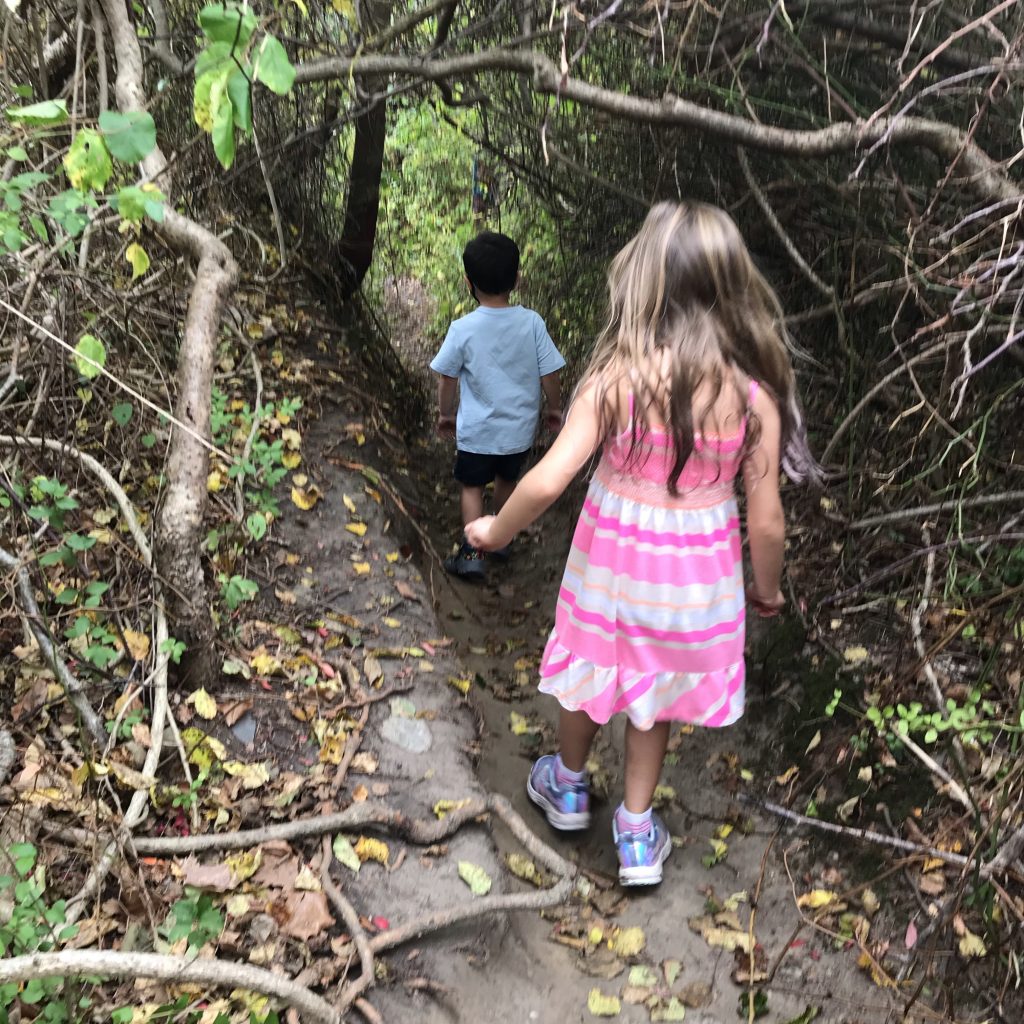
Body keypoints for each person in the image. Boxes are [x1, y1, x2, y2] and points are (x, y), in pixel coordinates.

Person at [465, 201, 818, 885]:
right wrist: (766, 589)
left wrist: (494, 527)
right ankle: (633, 833)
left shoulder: (616, 379)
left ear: (644, 282)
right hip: (693, 588)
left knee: (590, 673)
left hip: (613, 573)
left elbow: (550, 479)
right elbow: (768, 519)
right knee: (651, 701)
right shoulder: (752, 398)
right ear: (731, 288)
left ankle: (566, 787)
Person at [431, 230, 565, 581]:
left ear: (467, 282)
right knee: (507, 479)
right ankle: (500, 536)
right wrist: (555, 408)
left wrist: (445, 414)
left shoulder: (463, 329)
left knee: (472, 486)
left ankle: (473, 551)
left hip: (477, 432)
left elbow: (447, 377)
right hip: (518, 431)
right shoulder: (532, 323)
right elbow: (549, 371)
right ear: (517, 280)